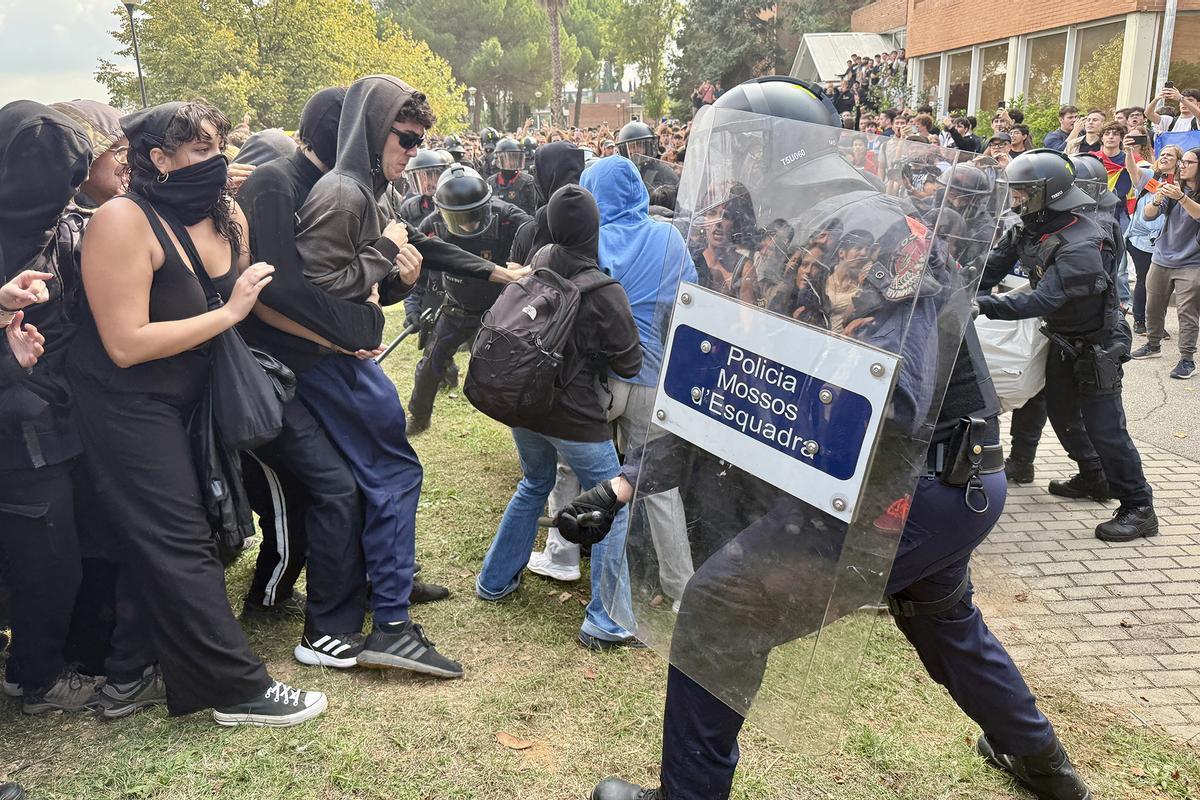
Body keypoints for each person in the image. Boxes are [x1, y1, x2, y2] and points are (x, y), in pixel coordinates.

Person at [585, 75, 1092, 800]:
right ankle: (1045, 766)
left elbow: (893, 402)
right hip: (934, 485)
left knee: (720, 606)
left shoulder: (874, 229)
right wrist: (626, 482)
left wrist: (784, 405)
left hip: (913, 483)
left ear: (770, 151)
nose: (727, 174)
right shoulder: (793, 232)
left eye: (738, 151)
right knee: (943, 618)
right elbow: (724, 392)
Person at [67, 99, 328, 725]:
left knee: (194, 529)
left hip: (195, 397)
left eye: (220, 146)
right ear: (159, 158)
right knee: (180, 537)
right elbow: (125, 344)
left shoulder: (226, 213)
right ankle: (238, 690)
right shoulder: (121, 221)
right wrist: (229, 314)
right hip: (125, 404)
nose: (220, 160)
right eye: (202, 150)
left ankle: (132, 670)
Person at [294, 75, 509, 678]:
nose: (413, 153)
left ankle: (386, 592)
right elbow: (314, 291)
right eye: (404, 138)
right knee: (394, 472)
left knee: (378, 477)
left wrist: (492, 274)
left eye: (419, 142)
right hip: (327, 364)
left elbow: (398, 264)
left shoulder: (373, 189)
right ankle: (391, 624)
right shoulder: (344, 193)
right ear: (371, 129)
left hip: (344, 358)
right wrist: (386, 255)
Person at [523, 154, 698, 607]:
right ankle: (681, 587)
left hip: (593, 380)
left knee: (571, 468)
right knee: (657, 481)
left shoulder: (588, 241)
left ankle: (562, 555)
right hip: (651, 376)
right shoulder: (669, 238)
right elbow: (690, 302)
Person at [475, 184, 644, 648]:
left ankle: (494, 580)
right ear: (594, 230)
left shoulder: (538, 263)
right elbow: (630, 362)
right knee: (612, 504)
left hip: (523, 404)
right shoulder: (604, 291)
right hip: (575, 418)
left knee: (534, 482)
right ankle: (606, 621)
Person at [979, 149, 1157, 543]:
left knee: (1106, 429)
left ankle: (1139, 507)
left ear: (1047, 194)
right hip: (1063, 340)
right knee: (1062, 413)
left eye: (1023, 192)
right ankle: (1094, 477)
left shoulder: (1083, 240)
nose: (1016, 199)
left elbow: (1043, 300)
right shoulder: (1030, 226)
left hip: (1098, 345)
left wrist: (982, 306)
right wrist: (951, 284)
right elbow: (988, 268)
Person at [0, 101, 101, 716]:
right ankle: (35, 679)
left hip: (56, 425)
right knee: (49, 563)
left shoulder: (65, 230)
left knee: (56, 555)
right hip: (24, 440)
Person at [407, 164, 532, 434]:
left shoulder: (508, 216)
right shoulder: (431, 226)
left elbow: (537, 234)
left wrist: (523, 262)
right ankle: (418, 417)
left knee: (516, 367)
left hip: (500, 309)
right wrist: (412, 306)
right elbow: (417, 268)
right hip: (457, 308)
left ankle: (526, 422)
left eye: (473, 216)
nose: (467, 224)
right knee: (430, 364)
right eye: (459, 218)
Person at [1132, 146, 1200, 381]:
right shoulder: (1173, 187)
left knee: (1187, 312)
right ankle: (1153, 344)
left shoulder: (1182, 193)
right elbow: (1148, 215)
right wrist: (1157, 199)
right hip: (1162, 256)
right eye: (1183, 162)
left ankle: (1187, 359)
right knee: (1153, 305)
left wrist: (1180, 197)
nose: (1183, 166)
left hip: (1192, 261)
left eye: (1189, 162)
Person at [1123, 140, 1181, 335]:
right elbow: (1132, 171)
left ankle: (1156, 324)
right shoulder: (1149, 176)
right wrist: (1129, 153)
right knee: (1145, 279)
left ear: (1179, 161)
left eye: (1169, 155)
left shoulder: (1183, 183)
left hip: (1168, 241)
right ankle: (1140, 320)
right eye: (1162, 154)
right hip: (1141, 240)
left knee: (1162, 285)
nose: (1164, 157)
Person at [396, 147, 452, 225]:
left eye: (431, 175)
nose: (427, 182)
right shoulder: (408, 208)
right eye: (421, 178)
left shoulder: (455, 202)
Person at [486, 137, 538, 215]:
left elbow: (534, 211)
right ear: (498, 159)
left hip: (522, 221)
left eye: (515, 158)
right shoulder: (491, 181)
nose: (512, 162)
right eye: (508, 158)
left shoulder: (528, 181)